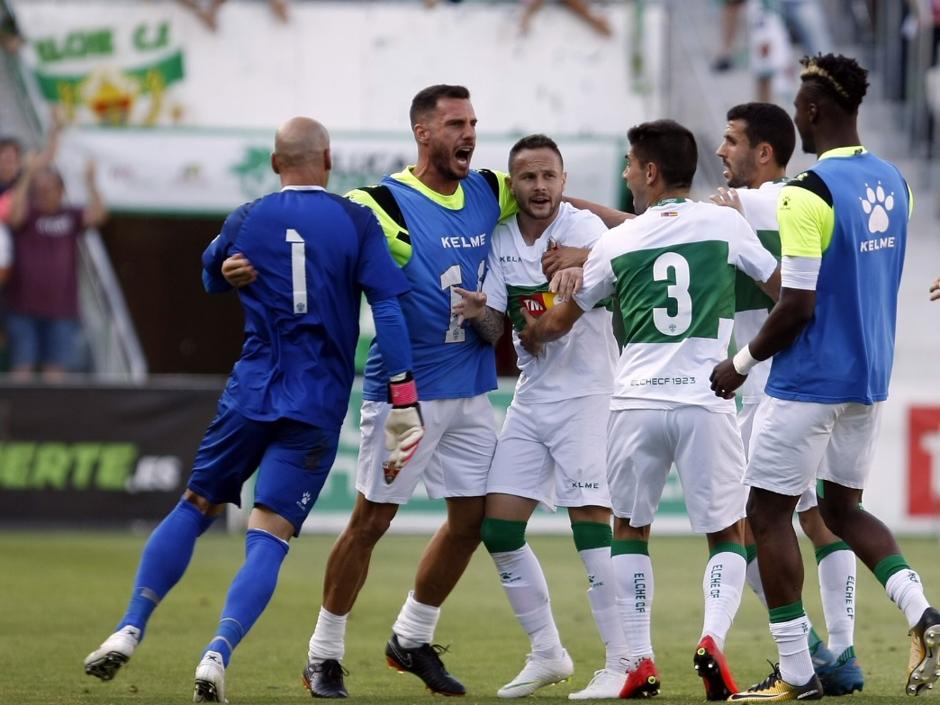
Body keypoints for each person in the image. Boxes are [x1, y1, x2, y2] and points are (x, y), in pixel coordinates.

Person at [82, 117, 423, 703]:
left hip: (252, 391)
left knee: (195, 504)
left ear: (274, 163)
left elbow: (210, 275)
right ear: (329, 159)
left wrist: (224, 270)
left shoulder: (247, 217)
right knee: (270, 535)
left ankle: (129, 627)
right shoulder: (355, 219)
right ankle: (218, 652)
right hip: (314, 403)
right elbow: (388, 314)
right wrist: (403, 396)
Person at [519, 119, 780, 701]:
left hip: (635, 401)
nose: (626, 174)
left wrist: (530, 325)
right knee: (728, 534)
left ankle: (638, 659)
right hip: (705, 398)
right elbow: (783, 293)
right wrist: (741, 359)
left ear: (652, 172)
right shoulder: (724, 223)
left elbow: (560, 322)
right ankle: (712, 639)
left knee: (630, 529)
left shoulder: (618, 242)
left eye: (631, 166)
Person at [711, 54, 940, 700]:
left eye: (798, 106)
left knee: (765, 513)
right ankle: (925, 613)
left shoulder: (806, 193)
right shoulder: (895, 181)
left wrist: (740, 363)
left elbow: (797, 305)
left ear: (812, 110)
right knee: (842, 509)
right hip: (869, 377)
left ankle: (797, 671)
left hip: (809, 379)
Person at [292, 85, 516, 698]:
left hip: (472, 397)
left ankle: (411, 638)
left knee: (472, 522)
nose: (468, 133)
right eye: (454, 124)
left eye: (473, 121)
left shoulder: (488, 190)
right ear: (423, 132)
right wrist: (242, 262)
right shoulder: (378, 202)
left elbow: (555, 199)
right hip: (404, 400)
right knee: (371, 522)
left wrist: (632, 226)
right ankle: (323, 653)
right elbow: (307, 239)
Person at [452, 134, 627, 699]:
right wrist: (479, 314)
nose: (540, 187)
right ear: (514, 184)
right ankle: (548, 652)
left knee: (591, 527)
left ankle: (623, 661)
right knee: (498, 528)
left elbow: (617, 277)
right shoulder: (501, 239)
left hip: (589, 394)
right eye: (527, 178)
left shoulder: (582, 231)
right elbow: (500, 329)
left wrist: (586, 266)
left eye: (549, 176)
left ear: (564, 180)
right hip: (532, 396)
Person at [712, 101, 864, 696]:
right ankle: (842, 650)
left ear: (765, 152)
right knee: (817, 518)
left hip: (765, 392)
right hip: (812, 380)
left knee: (746, 523)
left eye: (730, 140)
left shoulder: (754, 204)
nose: (721, 150)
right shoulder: (811, 200)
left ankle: (809, 653)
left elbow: (659, 223)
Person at [4, 154, 105, 381]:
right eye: (39, 189)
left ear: (60, 191)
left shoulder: (70, 215)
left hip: (62, 310)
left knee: (56, 374)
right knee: (21, 370)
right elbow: (14, 214)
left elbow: (98, 215)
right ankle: (18, 417)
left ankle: (52, 418)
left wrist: (91, 183)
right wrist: (27, 175)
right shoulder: (28, 213)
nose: (44, 194)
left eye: (49, 189)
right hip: (22, 308)